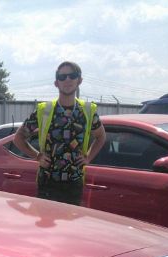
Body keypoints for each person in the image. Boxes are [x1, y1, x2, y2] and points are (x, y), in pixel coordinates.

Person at [13, 61, 106, 206]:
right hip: (48, 183)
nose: (67, 80)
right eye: (62, 77)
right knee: (46, 228)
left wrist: (88, 157)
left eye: (72, 75)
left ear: (79, 80)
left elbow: (101, 137)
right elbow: (18, 138)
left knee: (70, 228)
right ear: (56, 83)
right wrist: (37, 156)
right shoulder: (44, 111)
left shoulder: (87, 111)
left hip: (74, 183)